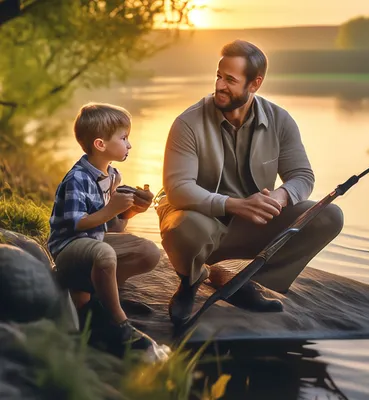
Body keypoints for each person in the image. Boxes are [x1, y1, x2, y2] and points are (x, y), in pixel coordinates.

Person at [157, 40, 344, 325]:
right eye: (218, 76)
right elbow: (178, 189)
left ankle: (241, 282)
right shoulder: (188, 123)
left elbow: (302, 176)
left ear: (255, 84)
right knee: (183, 225)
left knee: (328, 215)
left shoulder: (280, 120)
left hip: (252, 223)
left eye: (230, 80)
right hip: (202, 221)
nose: (220, 85)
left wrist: (280, 197)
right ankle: (190, 281)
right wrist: (235, 205)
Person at [48, 102, 161, 352]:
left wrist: (131, 210)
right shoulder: (77, 178)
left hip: (96, 241)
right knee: (105, 254)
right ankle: (119, 322)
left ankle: (97, 296)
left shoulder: (112, 175)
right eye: (124, 138)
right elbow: (77, 224)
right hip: (69, 247)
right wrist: (112, 208)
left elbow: (114, 226)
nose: (129, 144)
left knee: (150, 252)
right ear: (100, 144)